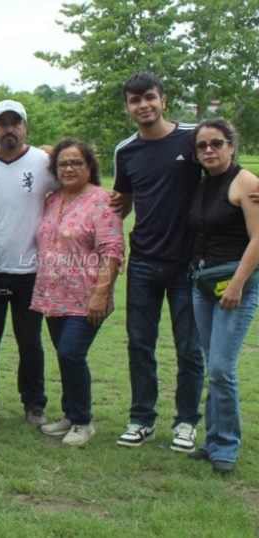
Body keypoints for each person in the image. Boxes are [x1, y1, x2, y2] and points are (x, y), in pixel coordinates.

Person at [110, 72, 204, 451]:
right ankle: (142, 419)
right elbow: (122, 203)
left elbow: (223, 167)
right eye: (135, 100)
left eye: (149, 97)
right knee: (140, 344)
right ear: (128, 108)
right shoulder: (126, 151)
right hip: (144, 262)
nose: (143, 105)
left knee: (189, 349)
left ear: (163, 100)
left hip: (189, 263)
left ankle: (185, 422)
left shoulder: (193, 138)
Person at [0, 100, 59, 425]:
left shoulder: (44, 162)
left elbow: (72, 188)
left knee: (29, 340)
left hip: (29, 269)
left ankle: (34, 404)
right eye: (2, 123)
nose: (9, 129)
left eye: (14, 123)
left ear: (25, 127)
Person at [32, 139, 124, 446]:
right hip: (53, 294)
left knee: (72, 353)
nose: (69, 168)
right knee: (64, 355)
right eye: (63, 164)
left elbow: (112, 251)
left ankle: (84, 421)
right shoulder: (52, 199)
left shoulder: (102, 201)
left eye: (76, 163)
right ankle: (71, 414)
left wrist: (100, 295)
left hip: (87, 297)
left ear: (90, 167)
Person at [186, 120, 259, 474]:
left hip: (235, 286)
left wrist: (238, 284)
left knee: (220, 368)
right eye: (202, 146)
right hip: (203, 284)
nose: (209, 150)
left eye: (217, 143)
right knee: (212, 363)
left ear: (232, 145)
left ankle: (226, 446)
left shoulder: (245, 183)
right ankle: (213, 439)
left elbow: (258, 237)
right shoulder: (203, 185)